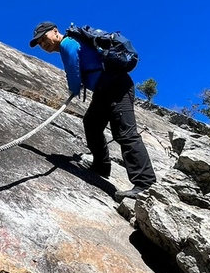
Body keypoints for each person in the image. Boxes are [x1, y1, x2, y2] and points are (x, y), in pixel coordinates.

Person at [29, 21, 156, 201]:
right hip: (104, 89)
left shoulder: (67, 43)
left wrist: (73, 88)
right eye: (40, 43)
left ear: (55, 31)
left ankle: (145, 184)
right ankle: (101, 166)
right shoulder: (70, 43)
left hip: (116, 85)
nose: (43, 44)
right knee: (91, 123)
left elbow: (73, 66)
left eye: (44, 38)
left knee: (125, 133)